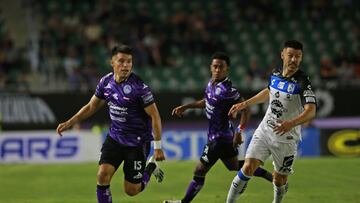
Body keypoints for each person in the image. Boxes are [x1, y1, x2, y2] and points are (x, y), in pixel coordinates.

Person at [56, 44, 166, 203]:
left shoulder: (139, 87)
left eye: (129, 61)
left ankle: (150, 168)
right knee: (102, 175)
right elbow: (91, 106)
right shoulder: (106, 82)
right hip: (115, 138)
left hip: (136, 143)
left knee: (131, 190)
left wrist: (157, 147)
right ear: (112, 63)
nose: (126, 65)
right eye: (121, 61)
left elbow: (155, 116)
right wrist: (69, 122)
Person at [163, 52, 273, 203]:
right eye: (215, 66)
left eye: (221, 67)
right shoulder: (211, 84)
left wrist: (240, 131)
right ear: (210, 67)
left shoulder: (229, 91)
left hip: (219, 139)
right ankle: (270, 176)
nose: (217, 70)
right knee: (233, 165)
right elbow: (206, 102)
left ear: (227, 69)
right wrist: (187, 106)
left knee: (199, 171)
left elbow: (246, 109)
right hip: (223, 136)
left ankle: (183, 202)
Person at [226, 40, 317, 203]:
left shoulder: (303, 82)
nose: (294, 60)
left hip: (286, 138)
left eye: (298, 56)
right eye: (290, 56)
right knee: (247, 167)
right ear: (282, 55)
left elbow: (311, 111)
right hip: (265, 130)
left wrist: (291, 123)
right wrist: (245, 103)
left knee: (279, 179)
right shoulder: (275, 74)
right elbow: (269, 91)